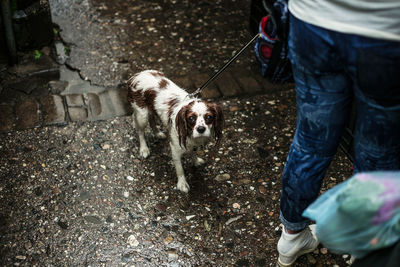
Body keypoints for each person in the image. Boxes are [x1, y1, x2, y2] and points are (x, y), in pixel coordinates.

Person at [276, 1, 400, 266]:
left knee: (310, 142)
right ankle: (364, 247)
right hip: (387, 33)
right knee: (377, 155)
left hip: (312, 20)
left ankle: (292, 238)